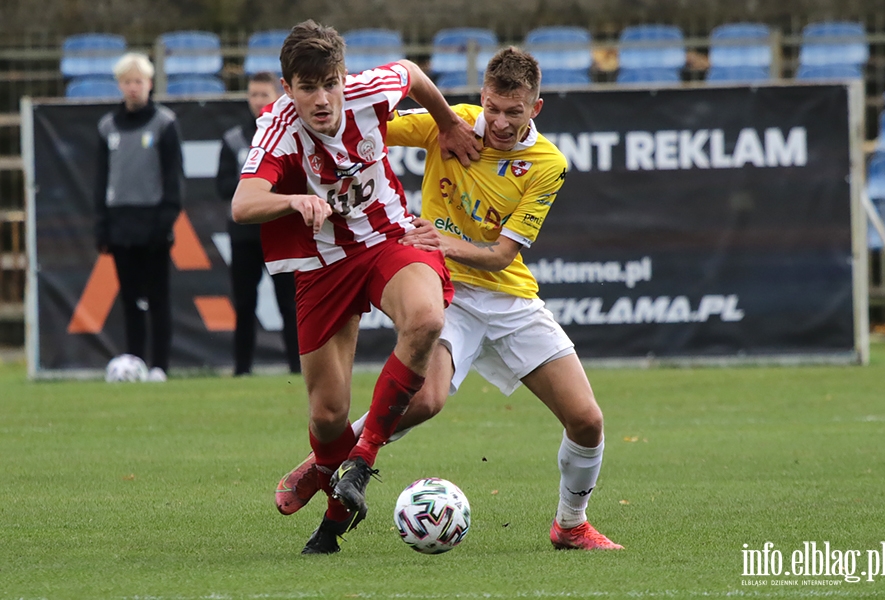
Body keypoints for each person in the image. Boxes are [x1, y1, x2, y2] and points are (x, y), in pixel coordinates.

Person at [275, 47, 623, 551]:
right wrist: (304, 107)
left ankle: (570, 525)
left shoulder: (548, 164)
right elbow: (367, 122)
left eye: (513, 112)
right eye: (492, 108)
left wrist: (441, 239)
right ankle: (328, 460)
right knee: (426, 401)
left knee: (588, 421)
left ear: (536, 109)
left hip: (509, 300)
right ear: (481, 97)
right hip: (446, 291)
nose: (499, 123)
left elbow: (502, 255)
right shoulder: (452, 123)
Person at [231, 20, 481, 555]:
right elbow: (243, 204)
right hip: (323, 265)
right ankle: (328, 470)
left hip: (387, 239)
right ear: (287, 88)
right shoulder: (277, 128)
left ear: (344, 76)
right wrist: (292, 200)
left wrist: (449, 124)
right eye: (307, 87)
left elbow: (411, 73)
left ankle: (359, 463)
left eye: (331, 83)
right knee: (326, 414)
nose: (322, 99)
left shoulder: (369, 90)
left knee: (426, 319)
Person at [94, 52, 184, 382]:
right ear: (120, 85)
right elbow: (102, 180)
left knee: (158, 297)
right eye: (127, 82)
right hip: (120, 225)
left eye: (139, 82)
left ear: (149, 84)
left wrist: (165, 221)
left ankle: (160, 366)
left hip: (154, 224)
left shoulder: (164, 123)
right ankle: (135, 361)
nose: (133, 88)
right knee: (130, 300)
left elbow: (174, 179)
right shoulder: (107, 127)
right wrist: (102, 226)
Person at [216, 71, 301, 376]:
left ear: (277, 96)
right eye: (253, 95)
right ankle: (242, 370)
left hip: (279, 230)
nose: (257, 101)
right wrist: (255, 184)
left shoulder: (287, 135)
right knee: (244, 304)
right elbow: (223, 185)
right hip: (243, 235)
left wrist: (265, 190)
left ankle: (297, 367)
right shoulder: (234, 138)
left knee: (290, 304)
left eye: (263, 95)